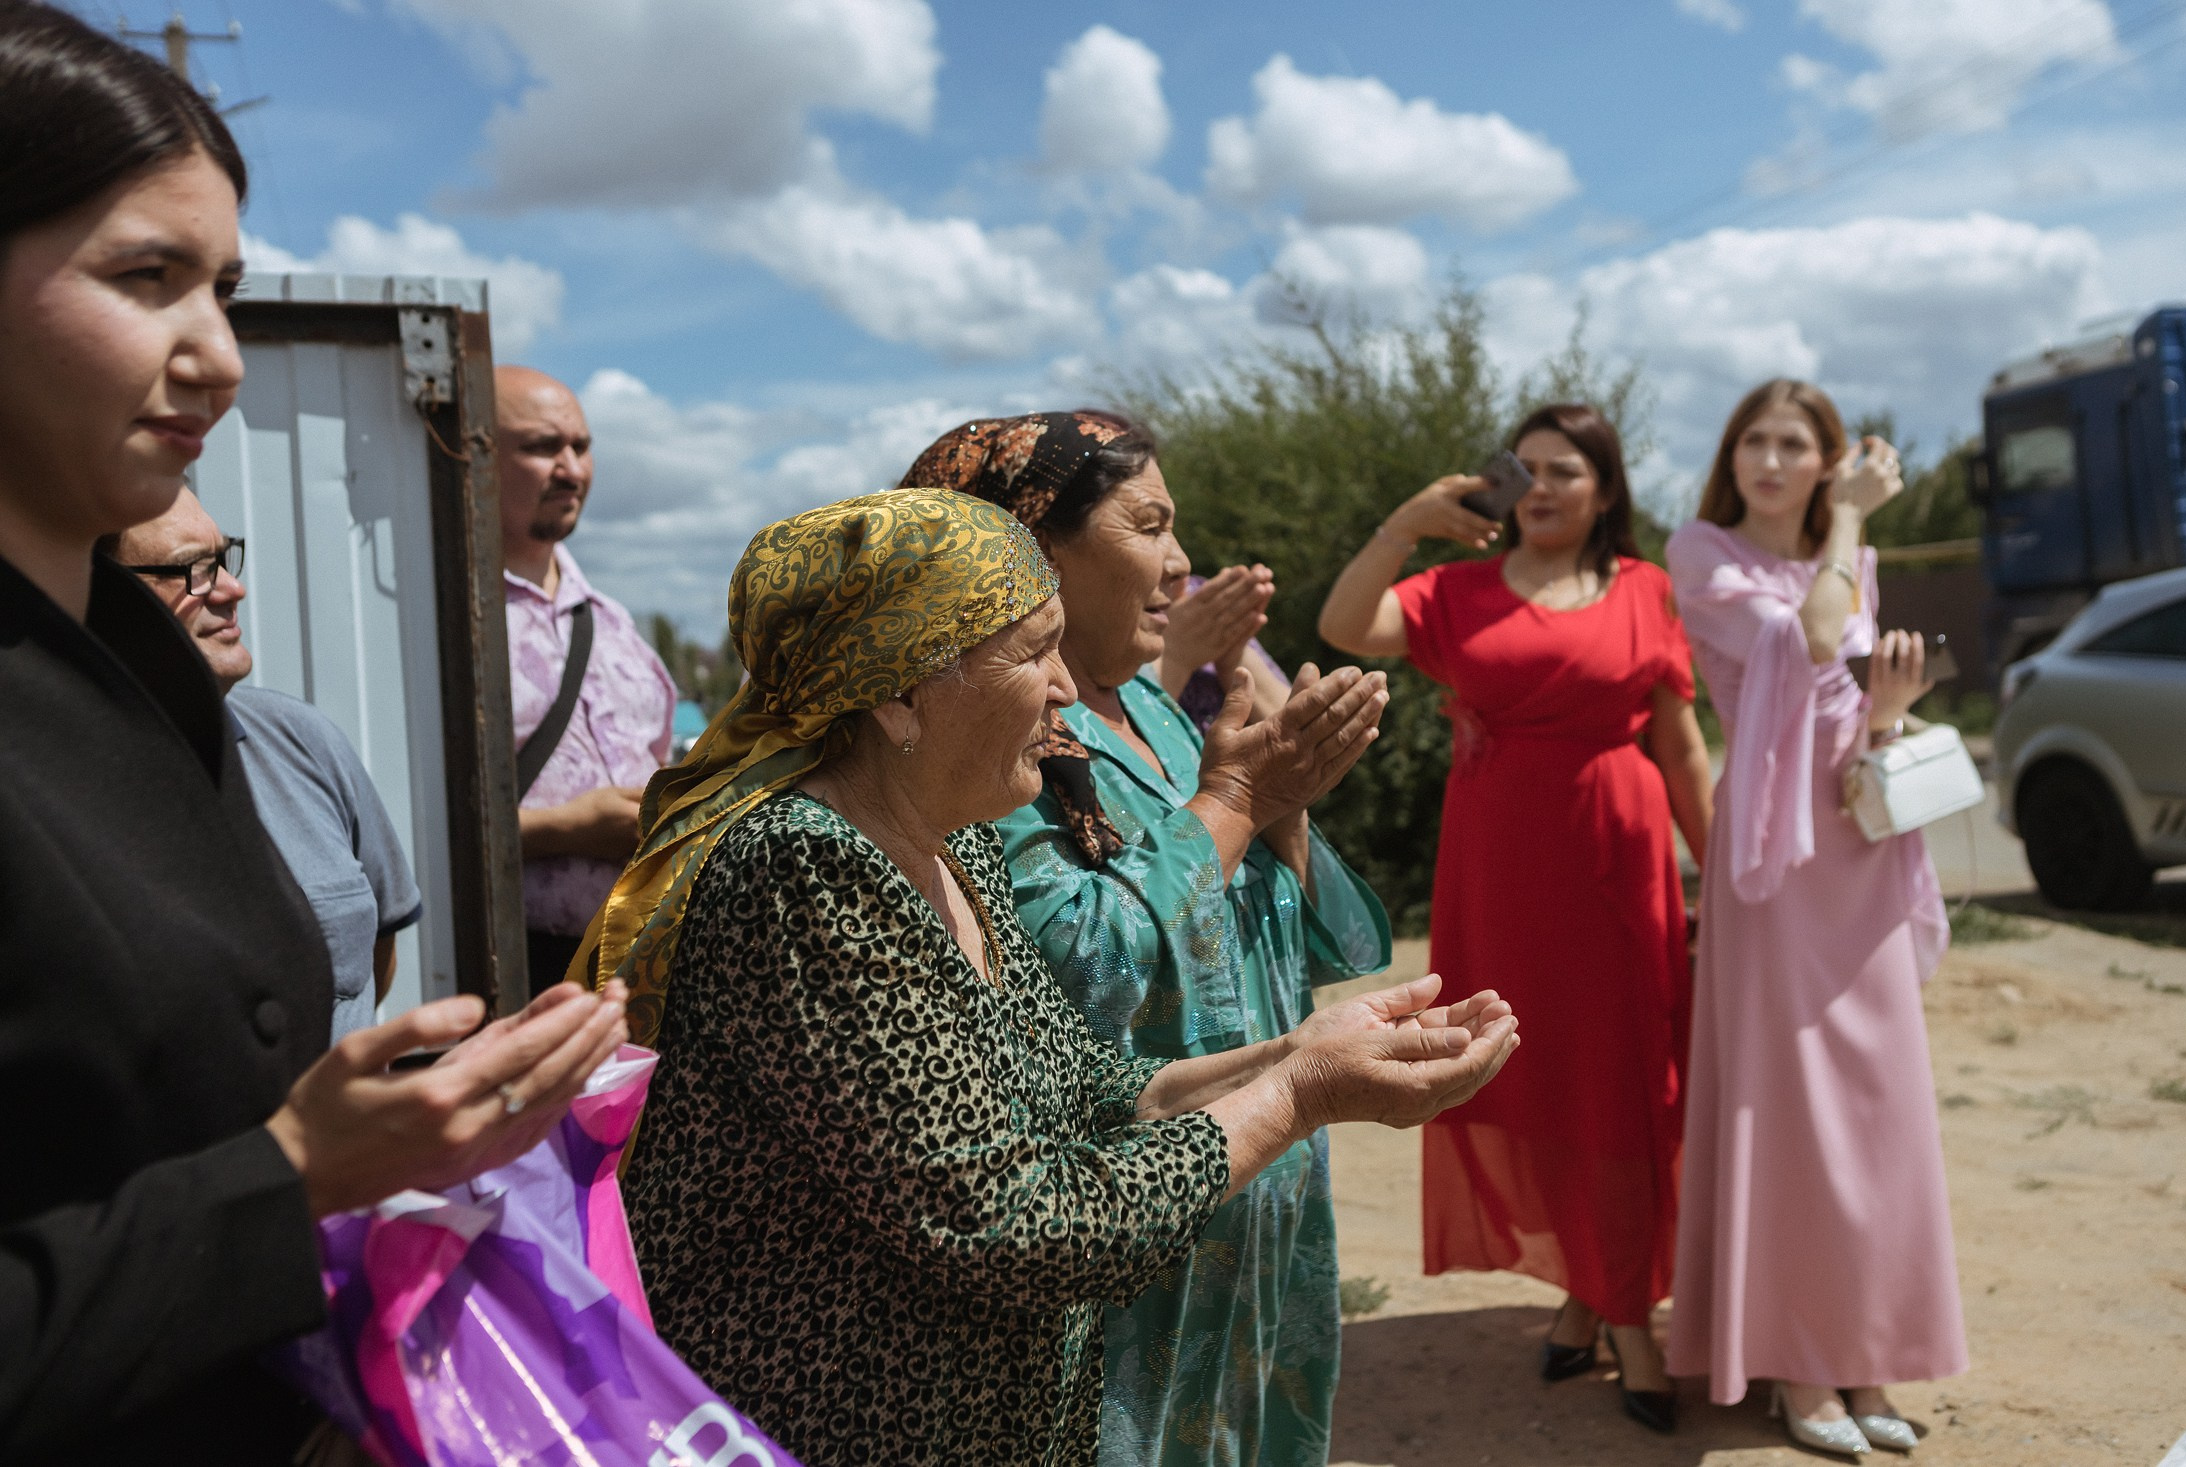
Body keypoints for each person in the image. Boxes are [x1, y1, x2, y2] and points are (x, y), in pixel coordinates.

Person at [0, 8, 630, 1460]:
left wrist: (399, 1138)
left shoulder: (143, 670)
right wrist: (291, 1181)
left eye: (221, 285)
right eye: (144, 277)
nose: (216, 356)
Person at [590, 488, 1520, 1467]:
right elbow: (1013, 1222)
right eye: (1031, 653)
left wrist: (1295, 1053)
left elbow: (1092, 1086)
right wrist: (1295, 1096)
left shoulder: (953, 846)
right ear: (898, 693)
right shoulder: (801, 866)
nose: (1065, 689)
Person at [901, 412, 1396, 1467]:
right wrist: (1239, 798)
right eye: (1149, 526)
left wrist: (1285, 811)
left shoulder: (1164, 722)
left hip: (1263, 1194)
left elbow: (1342, 948)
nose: (1180, 567)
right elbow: (1076, 971)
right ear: (1032, 547)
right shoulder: (982, 755)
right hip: (1131, 1223)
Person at [1318, 403, 1714, 1434]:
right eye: (1523, 468)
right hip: (1499, 872)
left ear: (1605, 490)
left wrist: (1719, 876)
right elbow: (1343, 627)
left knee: (1621, 1085)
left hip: (1616, 866)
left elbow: (1679, 748)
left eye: (1564, 469)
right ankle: (1600, 1295)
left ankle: (1617, 1311)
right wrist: (1402, 526)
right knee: (1532, 1080)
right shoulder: (1455, 591)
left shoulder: (1646, 591)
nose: (1539, 486)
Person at [1664, 379, 1964, 1457]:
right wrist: (1849, 518)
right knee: (1793, 1105)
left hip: (1860, 835)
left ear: (1825, 455)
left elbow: (1846, 690)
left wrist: (1889, 711)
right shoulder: (1700, 551)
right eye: (1756, 440)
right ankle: (1793, 1360)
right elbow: (1812, 636)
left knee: (1879, 1102)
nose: (1771, 460)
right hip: (1774, 855)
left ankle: (1862, 1346)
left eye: (1795, 443)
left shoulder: (1853, 555)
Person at [111, 488, 422, 1040]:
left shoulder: (303, 742)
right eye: (191, 570)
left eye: (223, 558)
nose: (233, 589)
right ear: (93, 594)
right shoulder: (46, 785)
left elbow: (373, 954)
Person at [496, 363, 676, 993]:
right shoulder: (442, 622)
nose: (571, 468)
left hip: (636, 972)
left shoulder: (614, 624)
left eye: (581, 446)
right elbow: (405, 832)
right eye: (542, 447)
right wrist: (565, 831)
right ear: (478, 456)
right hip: (513, 980)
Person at [1156, 564, 1292, 731]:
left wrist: (1235, 657)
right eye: (1149, 536)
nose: (1181, 562)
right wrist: (1173, 657)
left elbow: (1303, 732)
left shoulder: (1203, 598)